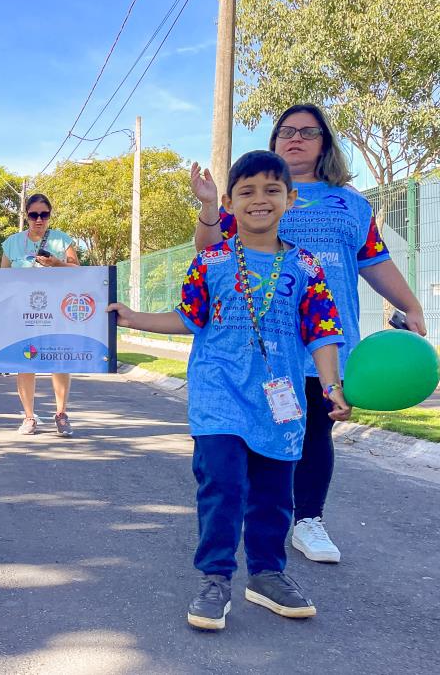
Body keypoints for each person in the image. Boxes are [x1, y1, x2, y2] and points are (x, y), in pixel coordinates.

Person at [110, 150, 352, 631]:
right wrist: (135, 318)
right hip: (218, 394)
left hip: (280, 403)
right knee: (221, 484)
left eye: (271, 190)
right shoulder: (213, 260)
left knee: (274, 494)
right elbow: (187, 317)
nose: (259, 200)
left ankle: (266, 574)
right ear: (230, 201)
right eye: (247, 191)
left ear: (290, 198)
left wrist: (331, 386)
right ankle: (215, 577)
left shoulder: (305, 266)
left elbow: (323, 332)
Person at [191, 104, 426, 564]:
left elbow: (374, 261)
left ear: (325, 144)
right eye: (286, 131)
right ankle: (255, 518)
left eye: (308, 132)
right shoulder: (258, 191)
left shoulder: (353, 204)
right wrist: (208, 207)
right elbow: (210, 250)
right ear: (274, 141)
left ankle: (309, 521)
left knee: (315, 432)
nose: (295, 138)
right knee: (253, 431)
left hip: (324, 342)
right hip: (258, 342)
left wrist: (411, 305)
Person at [0, 193, 80, 436]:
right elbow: (2, 278)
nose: (38, 219)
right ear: (26, 215)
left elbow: (78, 271)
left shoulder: (62, 240)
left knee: (59, 359)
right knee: (26, 361)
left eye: (44, 215)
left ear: (49, 216)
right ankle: (28, 417)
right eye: (34, 215)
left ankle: (62, 414)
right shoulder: (11, 243)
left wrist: (57, 264)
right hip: (23, 313)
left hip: (56, 311)